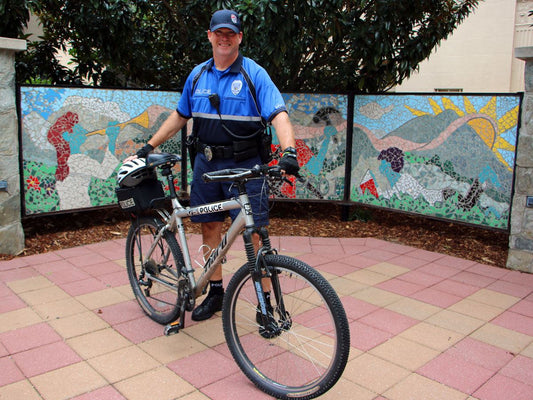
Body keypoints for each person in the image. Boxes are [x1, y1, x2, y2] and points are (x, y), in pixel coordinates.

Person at [127, 9, 299, 322]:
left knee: (256, 235)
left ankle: (265, 306)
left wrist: (289, 151)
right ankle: (215, 291)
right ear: (209, 36)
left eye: (230, 34)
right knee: (210, 228)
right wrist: (148, 146)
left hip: (246, 166)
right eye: (218, 33)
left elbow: (279, 115)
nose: (224, 38)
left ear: (239, 38)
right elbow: (180, 116)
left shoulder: (253, 74)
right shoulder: (197, 76)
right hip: (206, 166)